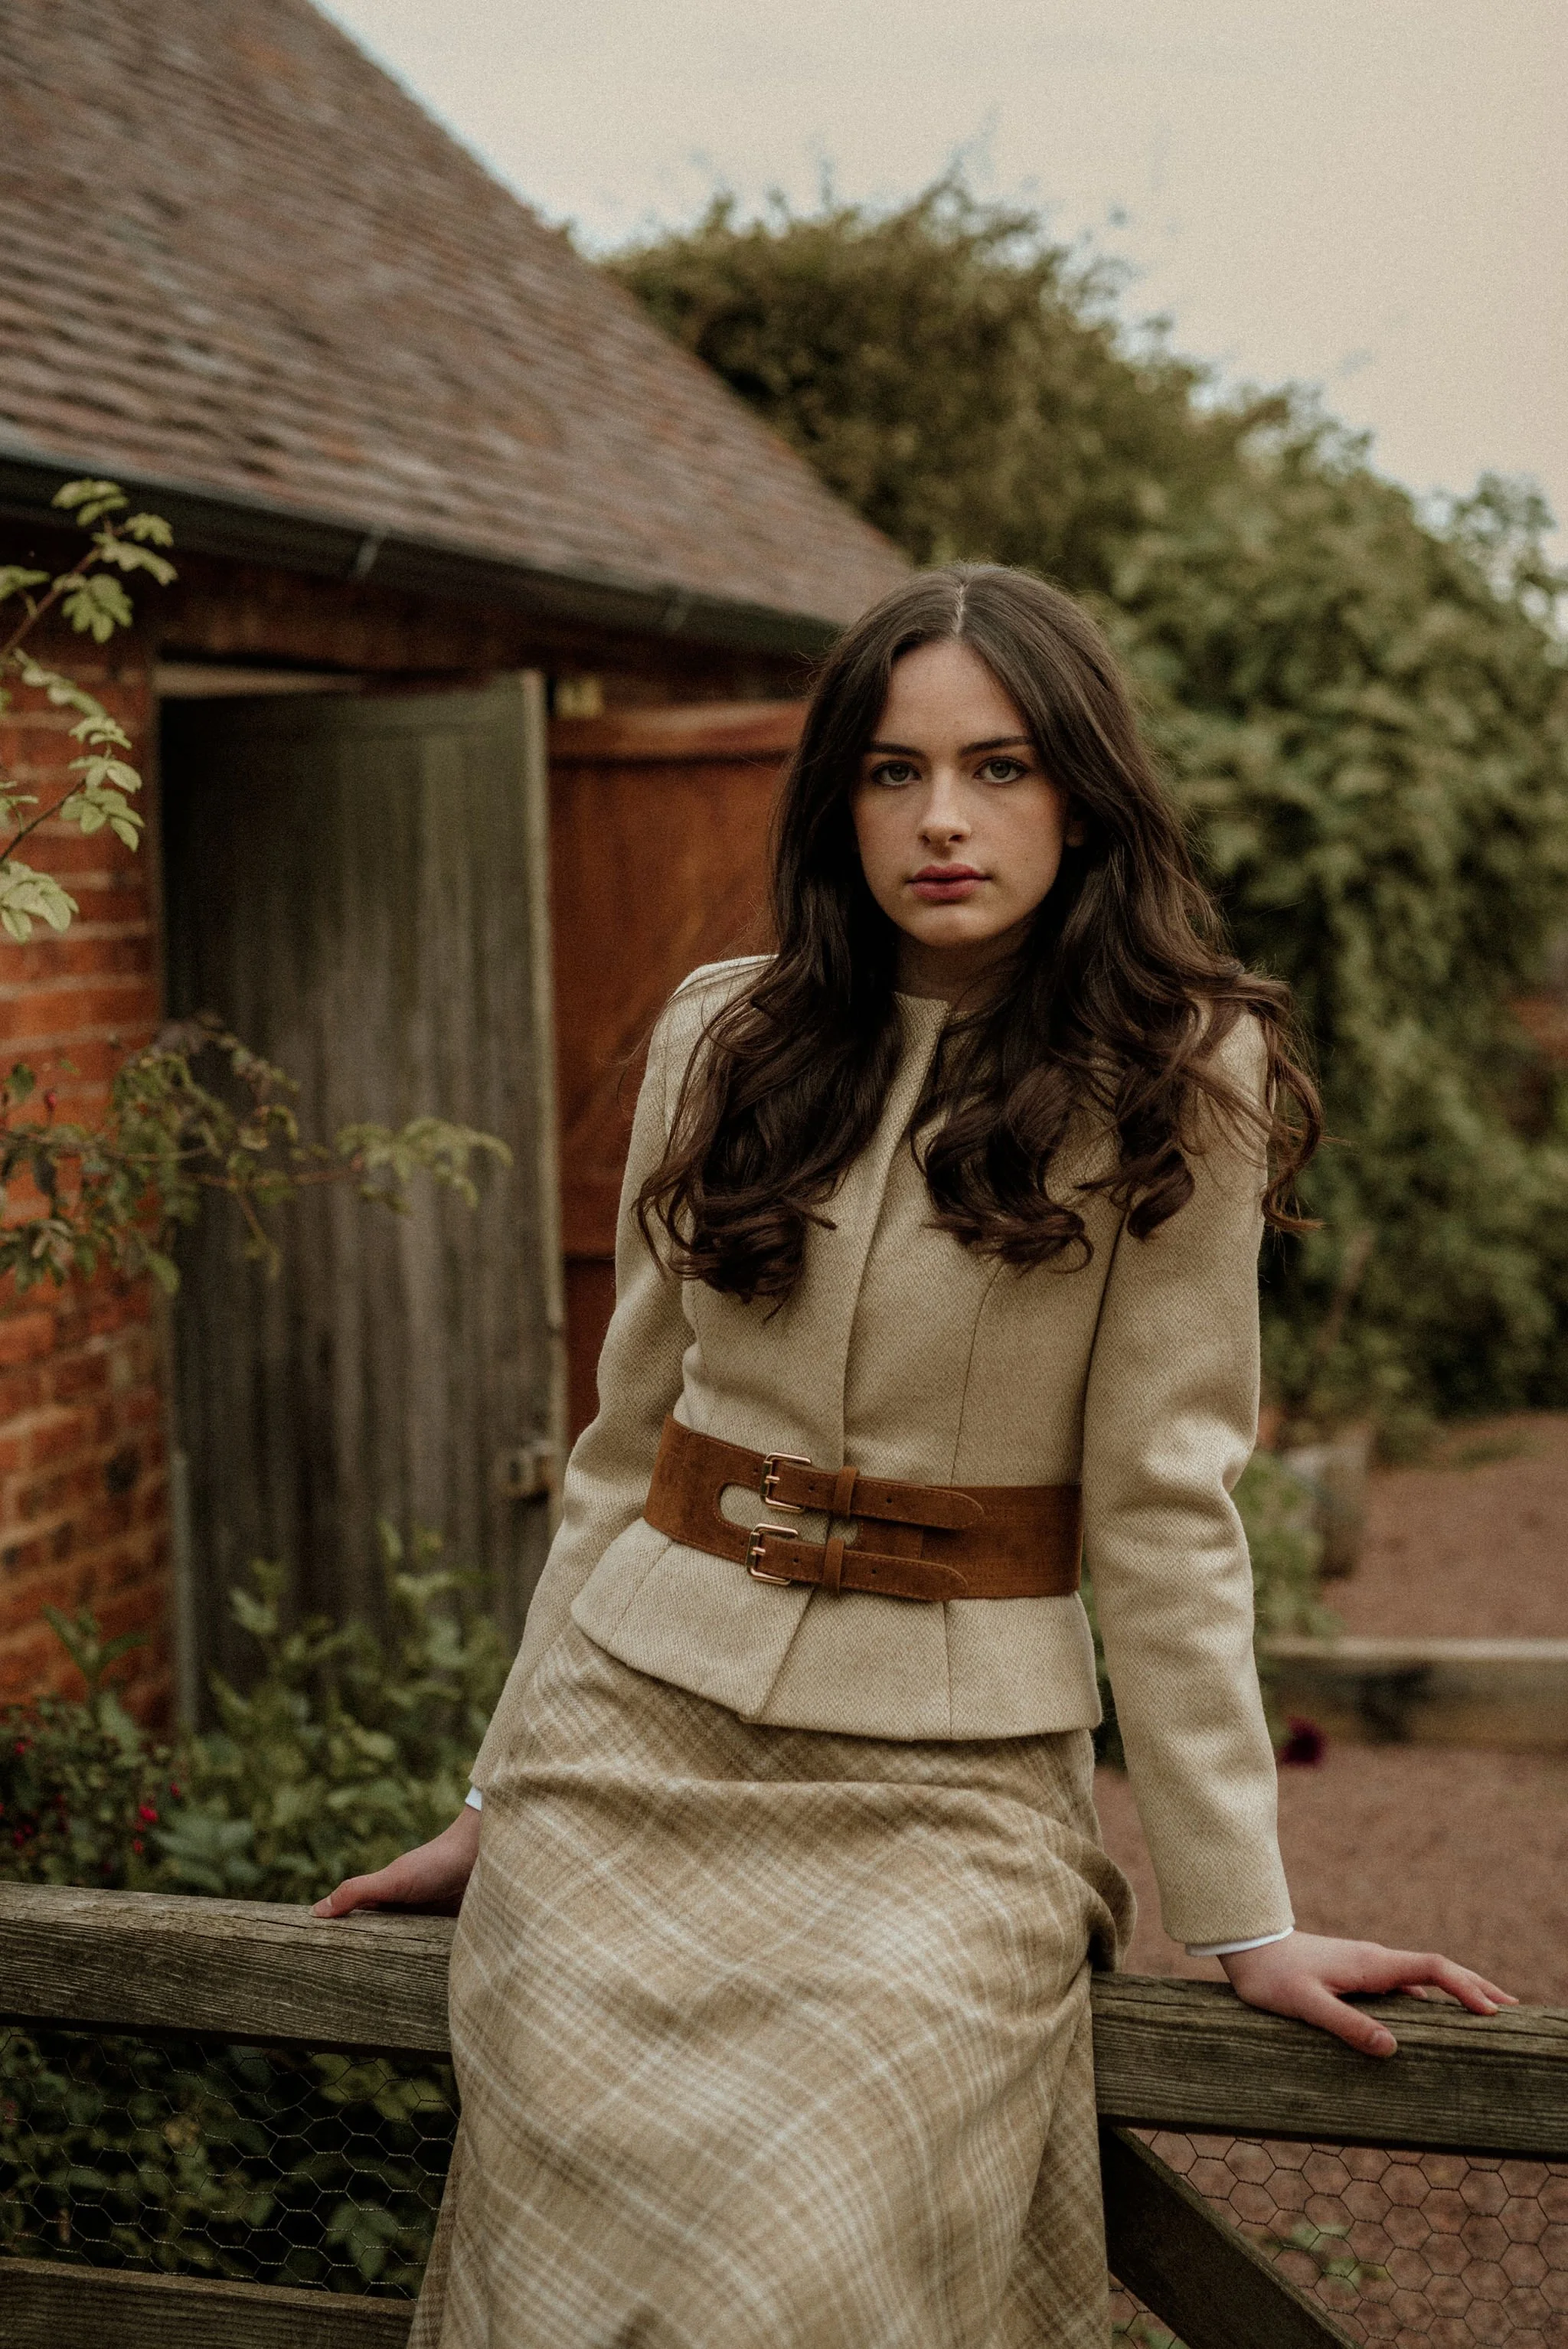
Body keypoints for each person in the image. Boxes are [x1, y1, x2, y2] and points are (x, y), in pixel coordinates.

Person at [317, 567, 1512, 2348]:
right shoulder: (723, 1035)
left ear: (1084, 793)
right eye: (891, 771)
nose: (941, 818)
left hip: (947, 1800)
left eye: (1000, 765)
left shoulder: (1184, 1073)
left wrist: (1242, 1915)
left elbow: (1166, 1516)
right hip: (630, 1748)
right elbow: (622, 1448)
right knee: (572, 2252)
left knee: (809, 2261)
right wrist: (499, 1793)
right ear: (839, 801)